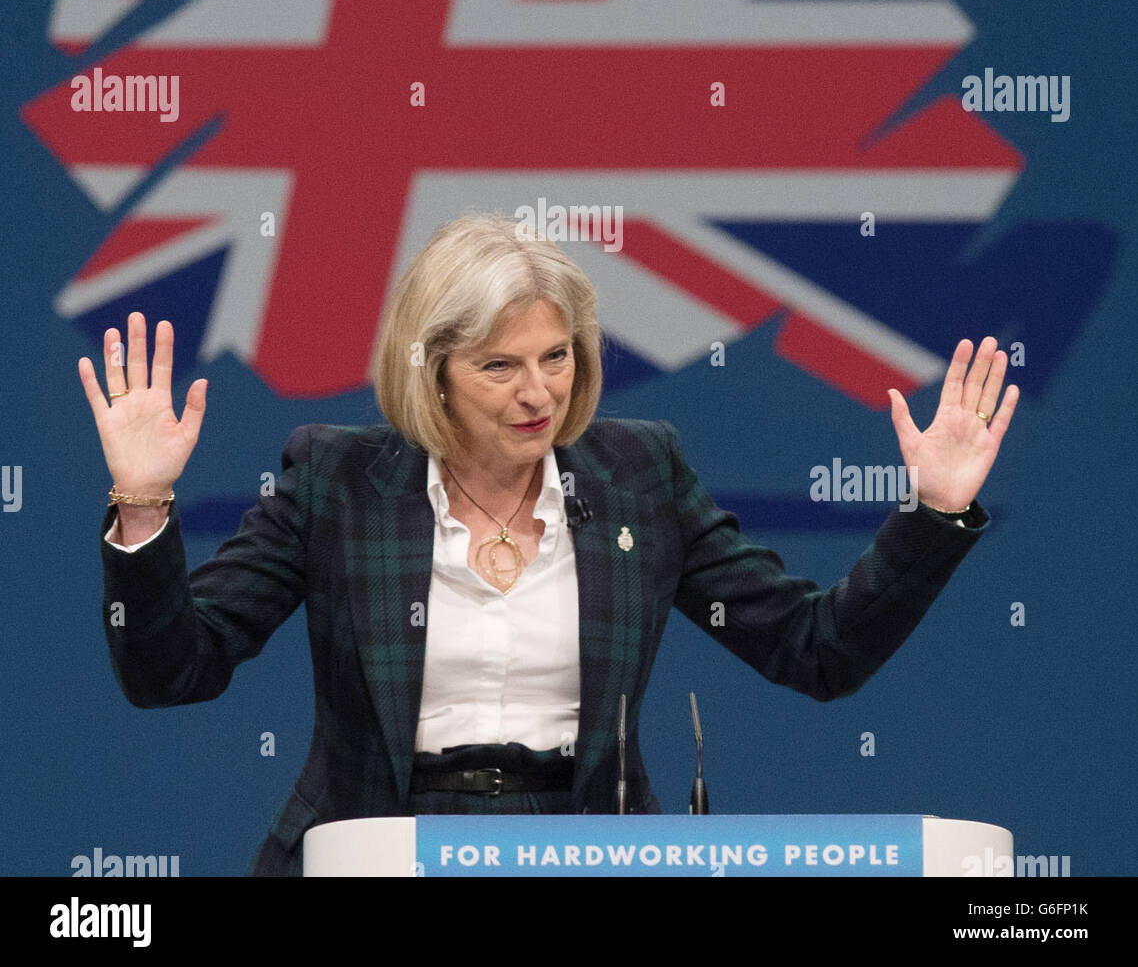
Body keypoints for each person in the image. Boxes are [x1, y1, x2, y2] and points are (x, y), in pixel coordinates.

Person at [81, 211, 1018, 876]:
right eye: (499, 366)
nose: (539, 394)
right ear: (433, 373)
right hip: (376, 844)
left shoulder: (638, 475)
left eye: (557, 357)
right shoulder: (337, 482)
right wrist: (144, 500)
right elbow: (173, 671)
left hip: (583, 848)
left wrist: (931, 515)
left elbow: (818, 653)